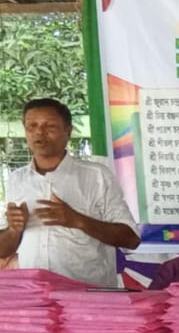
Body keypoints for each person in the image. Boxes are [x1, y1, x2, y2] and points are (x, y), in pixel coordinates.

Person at [1, 97, 140, 287]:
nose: (39, 132)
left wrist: (78, 220)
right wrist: (13, 230)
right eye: (31, 126)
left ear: (68, 131)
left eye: (49, 126)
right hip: (34, 294)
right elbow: (3, 250)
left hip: (85, 296)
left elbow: (131, 239)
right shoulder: (17, 180)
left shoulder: (97, 176)